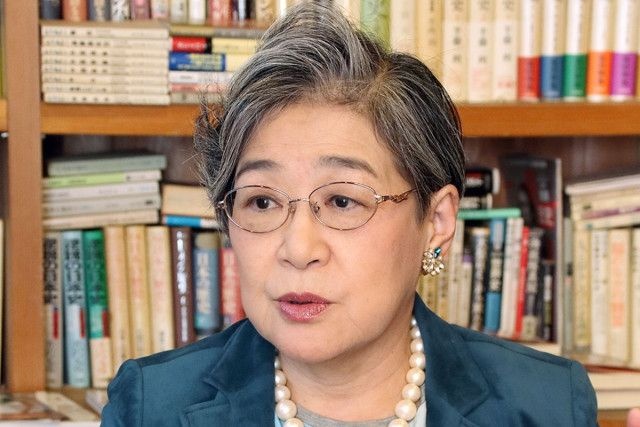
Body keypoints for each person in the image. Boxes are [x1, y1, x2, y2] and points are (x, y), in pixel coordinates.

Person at [101, 3, 597, 426]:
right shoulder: (151, 405)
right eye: (262, 201)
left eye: (342, 201)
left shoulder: (548, 404)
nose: (298, 249)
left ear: (436, 222)